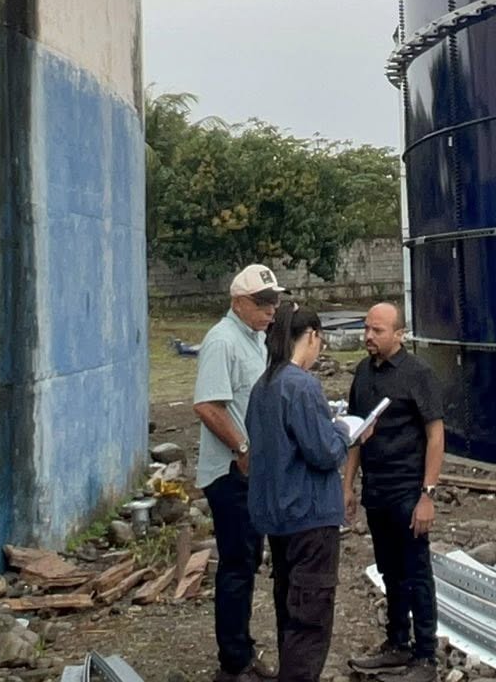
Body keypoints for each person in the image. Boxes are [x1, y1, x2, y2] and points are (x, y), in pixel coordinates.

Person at [245, 303, 369, 682]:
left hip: (278, 515)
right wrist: (344, 431)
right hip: (309, 516)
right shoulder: (301, 385)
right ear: (312, 336)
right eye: (321, 340)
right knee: (310, 619)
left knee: (289, 607)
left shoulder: (263, 386)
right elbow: (323, 452)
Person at [343, 303, 444, 682]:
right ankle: (397, 642)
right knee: (389, 570)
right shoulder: (363, 372)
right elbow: (356, 433)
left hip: (408, 491)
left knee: (417, 572)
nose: (369, 336)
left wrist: (427, 494)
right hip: (377, 490)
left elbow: (436, 435)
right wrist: (348, 485)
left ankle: (426, 656)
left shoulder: (418, 374)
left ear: (399, 334)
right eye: (367, 328)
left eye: (378, 330)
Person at [193, 264, 285, 682]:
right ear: (238, 302)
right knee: (236, 565)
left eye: (274, 301)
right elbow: (207, 405)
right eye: (263, 302)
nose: (271, 309)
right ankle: (233, 663)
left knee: (248, 562)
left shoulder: (256, 339)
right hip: (231, 473)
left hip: (251, 471)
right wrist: (242, 447)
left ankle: (242, 650)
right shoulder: (222, 341)